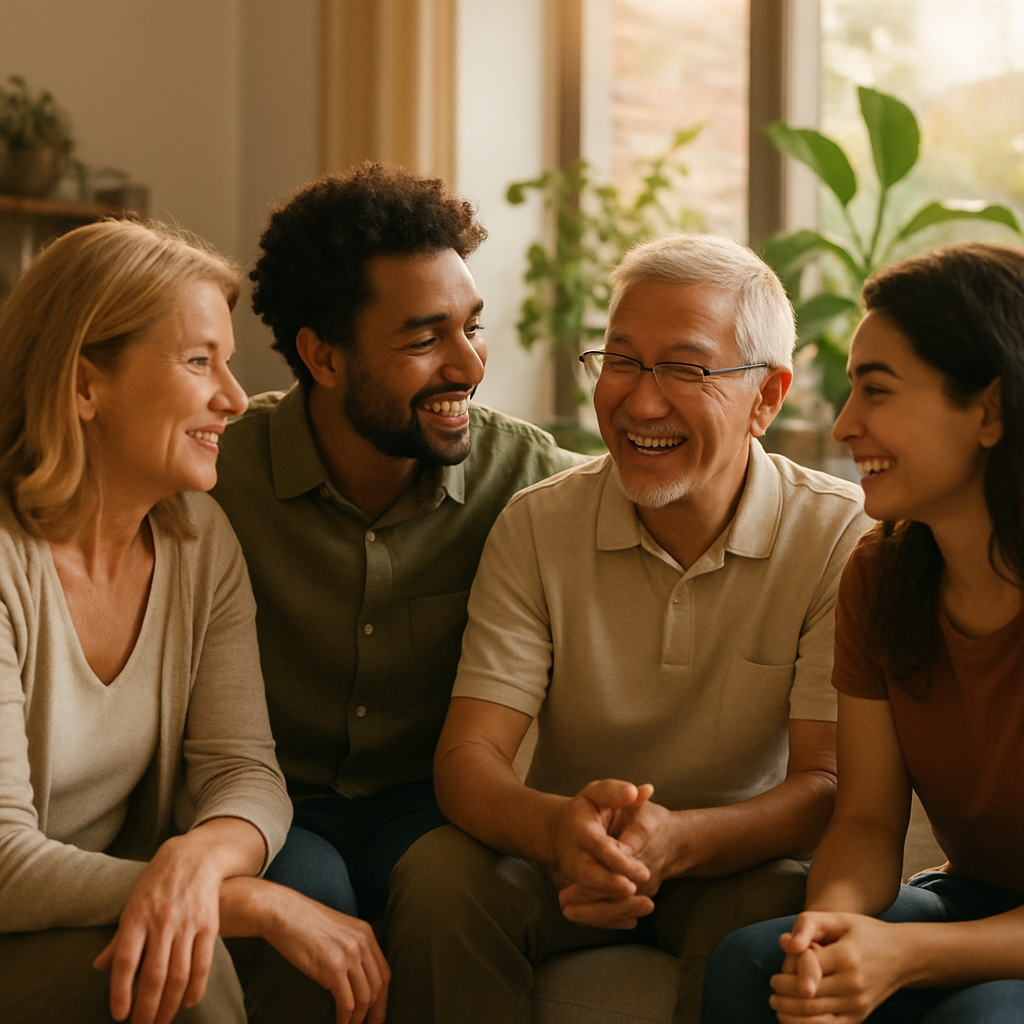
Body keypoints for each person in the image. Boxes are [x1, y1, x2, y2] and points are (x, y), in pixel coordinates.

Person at [383, 232, 872, 1023]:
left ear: (768, 398)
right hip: (564, 856)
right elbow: (469, 757)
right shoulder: (539, 524)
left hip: (739, 862)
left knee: (781, 903)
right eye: (620, 361)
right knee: (441, 874)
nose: (641, 402)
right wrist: (558, 831)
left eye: (685, 369)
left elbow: (826, 783)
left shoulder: (838, 537)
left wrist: (682, 840)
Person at [0, 219, 389, 1024]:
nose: (235, 400)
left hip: (101, 907)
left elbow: (243, 769)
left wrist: (197, 861)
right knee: (193, 960)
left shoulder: (195, 539)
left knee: (249, 937)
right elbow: (2, 860)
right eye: (197, 361)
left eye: (231, 365)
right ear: (84, 386)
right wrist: (239, 901)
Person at [210, 162, 585, 925]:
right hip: (274, 805)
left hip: (434, 807)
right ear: (323, 357)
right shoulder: (216, 474)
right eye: (424, 339)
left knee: (452, 891)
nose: (471, 366)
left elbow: (659, 503)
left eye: (472, 326)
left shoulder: (529, 476)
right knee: (305, 894)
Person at [701, 241, 1024, 1024]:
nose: (845, 425)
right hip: (977, 898)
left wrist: (907, 954)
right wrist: (830, 926)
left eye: (875, 391)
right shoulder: (880, 575)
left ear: (988, 410)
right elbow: (870, 818)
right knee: (759, 965)